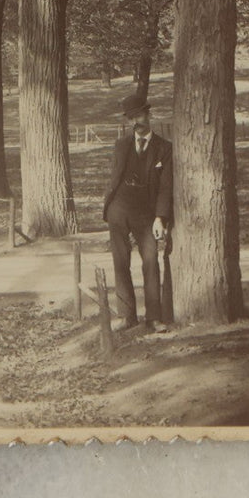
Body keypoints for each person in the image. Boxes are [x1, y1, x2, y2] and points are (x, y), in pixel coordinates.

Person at [103, 92, 174, 334]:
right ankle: (126, 316)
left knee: (151, 261)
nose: (136, 122)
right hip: (119, 209)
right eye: (131, 118)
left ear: (148, 114)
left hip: (147, 213)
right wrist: (111, 208)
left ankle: (153, 317)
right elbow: (115, 177)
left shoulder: (164, 148)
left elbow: (166, 187)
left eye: (140, 116)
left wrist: (160, 218)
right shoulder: (121, 145)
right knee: (120, 261)